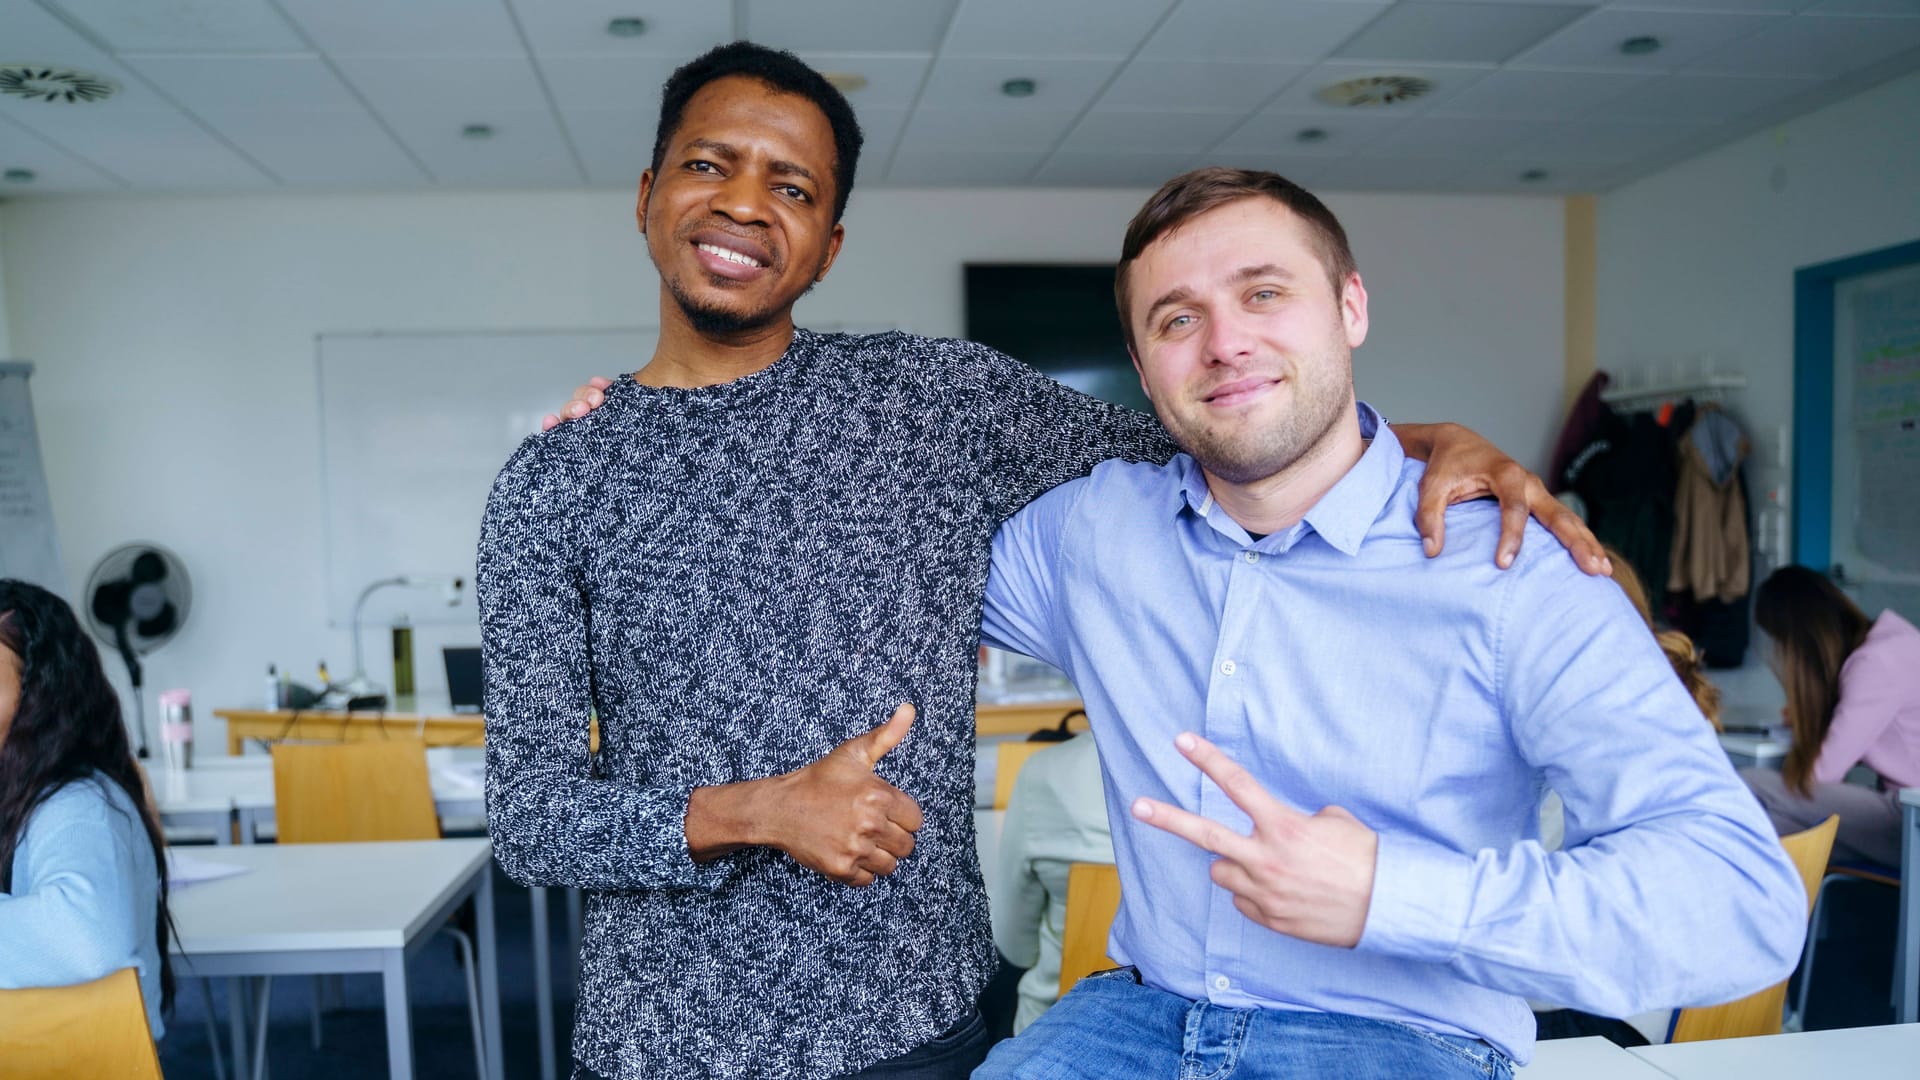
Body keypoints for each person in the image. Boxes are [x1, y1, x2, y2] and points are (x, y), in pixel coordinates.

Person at [486, 42, 1604, 1080]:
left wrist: (1420, 439)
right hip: (668, 1042)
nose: (743, 203)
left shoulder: (930, 402)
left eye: (794, 187)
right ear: (647, 197)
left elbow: (1213, 434)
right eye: (709, 164)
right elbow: (530, 818)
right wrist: (755, 812)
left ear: (827, 246)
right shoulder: (551, 485)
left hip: (923, 1022)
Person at [970, 168, 1805, 1077]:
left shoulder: (1516, 573)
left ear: (1351, 308)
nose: (1225, 343)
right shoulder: (1089, 532)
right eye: (1177, 319)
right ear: (1141, 368)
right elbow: (877, 579)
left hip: (1401, 1039)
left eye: (1264, 293)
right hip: (1133, 1020)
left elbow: (1741, 901)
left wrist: (1387, 894)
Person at [0, 579, 174, 1040]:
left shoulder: (77, 805)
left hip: (73, 1057)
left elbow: (85, 933)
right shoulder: (19, 786)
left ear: (42, 697)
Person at [1740, 565, 1920, 868]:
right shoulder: (1895, 642)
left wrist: (1807, 732)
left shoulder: (1876, 663)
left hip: (1908, 818)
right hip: (1905, 815)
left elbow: (1821, 775)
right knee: (1774, 829)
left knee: (1749, 783)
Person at [988, 732, 1113, 1034]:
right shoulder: (1234, 775)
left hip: (1052, 1022)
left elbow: (1015, 945)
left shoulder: (1042, 774)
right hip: (1188, 1035)